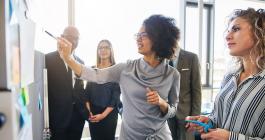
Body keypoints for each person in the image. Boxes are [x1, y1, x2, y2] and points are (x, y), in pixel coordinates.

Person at [57, 15, 180, 140]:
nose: (138, 39)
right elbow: (95, 75)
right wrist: (68, 58)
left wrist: (161, 103)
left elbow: (173, 111)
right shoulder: (125, 68)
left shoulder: (173, 75)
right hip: (130, 137)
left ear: (158, 38)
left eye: (143, 35)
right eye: (137, 36)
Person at [186, 8, 265, 140]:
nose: (227, 36)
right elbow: (218, 117)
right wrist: (209, 121)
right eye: (228, 30)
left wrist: (230, 138)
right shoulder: (230, 76)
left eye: (236, 29)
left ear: (259, 32)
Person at [45, 26, 88, 140]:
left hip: (78, 118)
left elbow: (79, 88)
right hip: (58, 118)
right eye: (70, 37)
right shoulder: (48, 59)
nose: (73, 41)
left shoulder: (80, 62)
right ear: (62, 38)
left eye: (76, 38)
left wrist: (85, 110)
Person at [85, 39, 121, 140]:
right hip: (93, 114)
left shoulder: (116, 70)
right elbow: (87, 93)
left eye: (106, 47)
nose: (103, 50)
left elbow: (115, 98)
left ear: (111, 50)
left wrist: (103, 115)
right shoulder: (92, 70)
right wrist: (89, 112)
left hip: (109, 114)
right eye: (100, 48)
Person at [167, 47, 202, 140]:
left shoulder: (191, 57)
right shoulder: (161, 57)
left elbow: (197, 90)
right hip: (166, 114)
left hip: (185, 115)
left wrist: (195, 118)